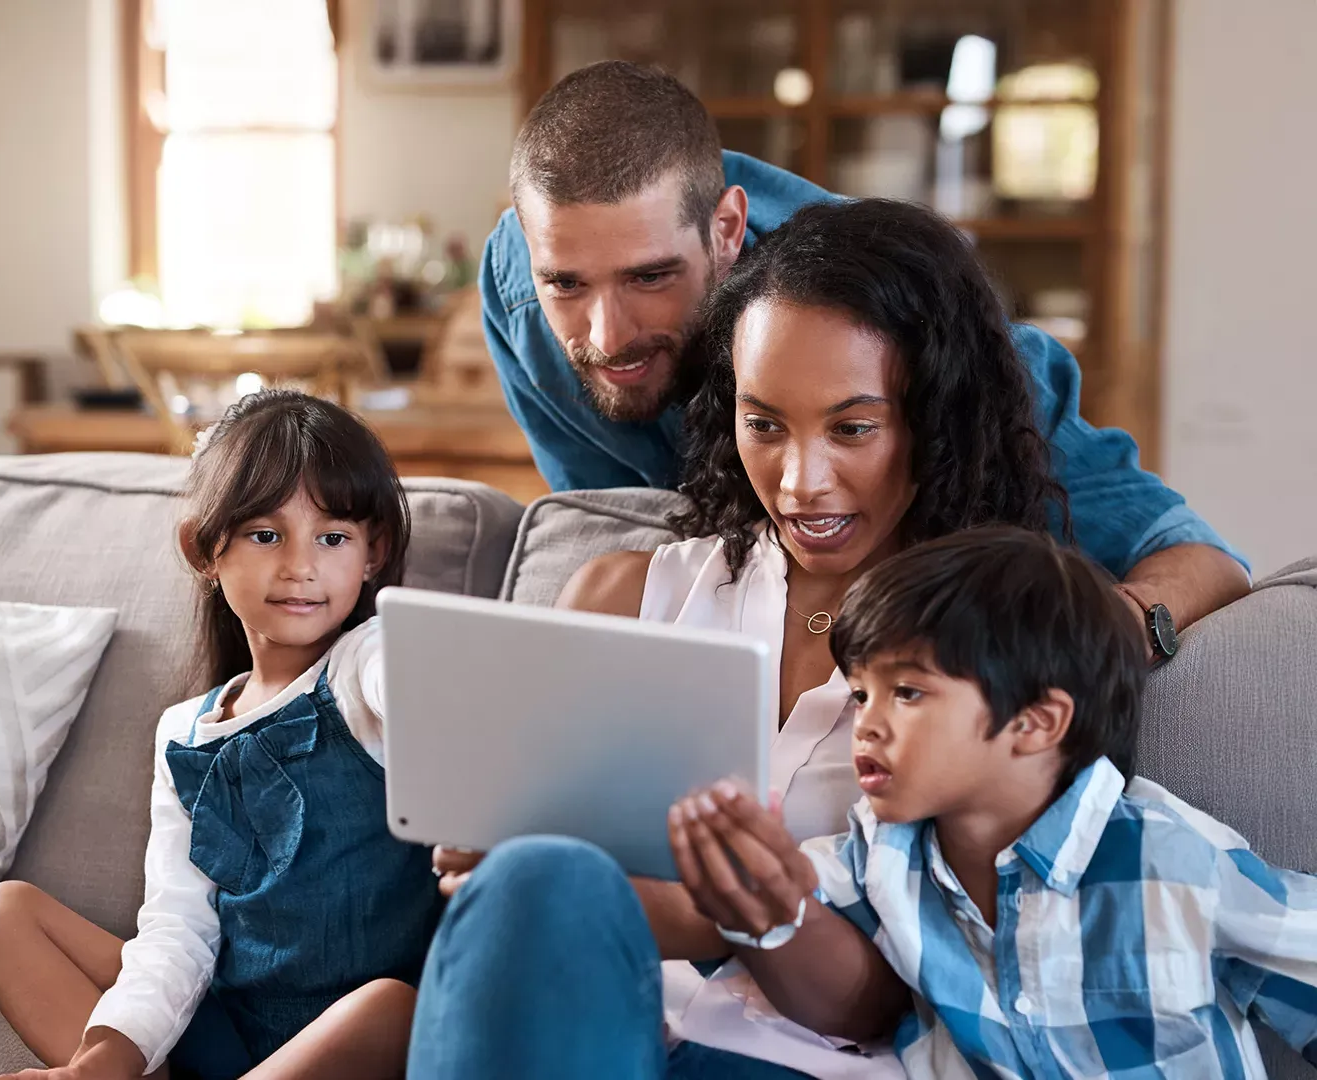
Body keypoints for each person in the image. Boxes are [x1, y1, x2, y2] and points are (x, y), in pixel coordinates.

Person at [412, 197, 1067, 1079]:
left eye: (852, 428)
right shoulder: (619, 598)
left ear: (935, 420)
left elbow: (899, 1004)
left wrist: (752, 913)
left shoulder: (998, 659)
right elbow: (514, 919)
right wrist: (489, 862)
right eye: (764, 424)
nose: (801, 482)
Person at [481, 59, 1248, 640]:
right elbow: (628, 524)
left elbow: (1191, 555)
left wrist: (1109, 638)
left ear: (726, 231)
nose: (606, 336)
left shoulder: (922, 328)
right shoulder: (516, 287)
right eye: (568, 284)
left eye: (651, 277)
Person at [670, 526, 1317, 1077]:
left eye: (909, 693)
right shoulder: (881, 851)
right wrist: (761, 893)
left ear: (1036, 722)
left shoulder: (1168, 860)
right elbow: (802, 941)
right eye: (862, 694)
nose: (865, 723)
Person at [0, 390, 443, 1080]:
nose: (300, 565)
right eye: (266, 534)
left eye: (332, 537)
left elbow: (416, 689)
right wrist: (100, 1060)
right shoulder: (183, 733)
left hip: (352, 1041)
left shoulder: (368, 662)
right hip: (221, 1031)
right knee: (2, 915)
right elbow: (177, 933)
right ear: (204, 550)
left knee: (392, 1008)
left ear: (374, 554)